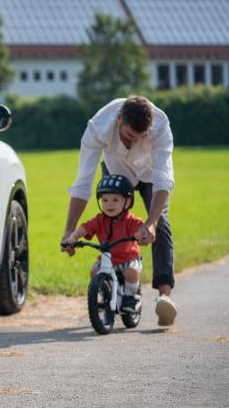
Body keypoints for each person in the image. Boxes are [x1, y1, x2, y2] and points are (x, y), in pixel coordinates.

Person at [60, 95, 178, 326]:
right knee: (108, 219)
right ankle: (111, 284)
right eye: (127, 136)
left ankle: (165, 297)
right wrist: (69, 231)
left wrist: (150, 223)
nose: (132, 143)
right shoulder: (97, 128)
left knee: (161, 224)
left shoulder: (161, 127)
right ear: (119, 119)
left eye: (139, 138)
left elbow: (164, 180)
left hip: (151, 174)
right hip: (116, 172)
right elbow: (83, 182)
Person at [64, 174, 144, 313]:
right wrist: (73, 237)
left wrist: (140, 233)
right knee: (94, 271)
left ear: (127, 201)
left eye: (115, 200)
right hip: (107, 259)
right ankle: (105, 293)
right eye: (105, 200)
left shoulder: (130, 220)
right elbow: (86, 227)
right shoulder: (100, 219)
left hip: (128, 258)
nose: (109, 204)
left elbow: (140, 227)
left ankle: (131, 297)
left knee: (131, 272)